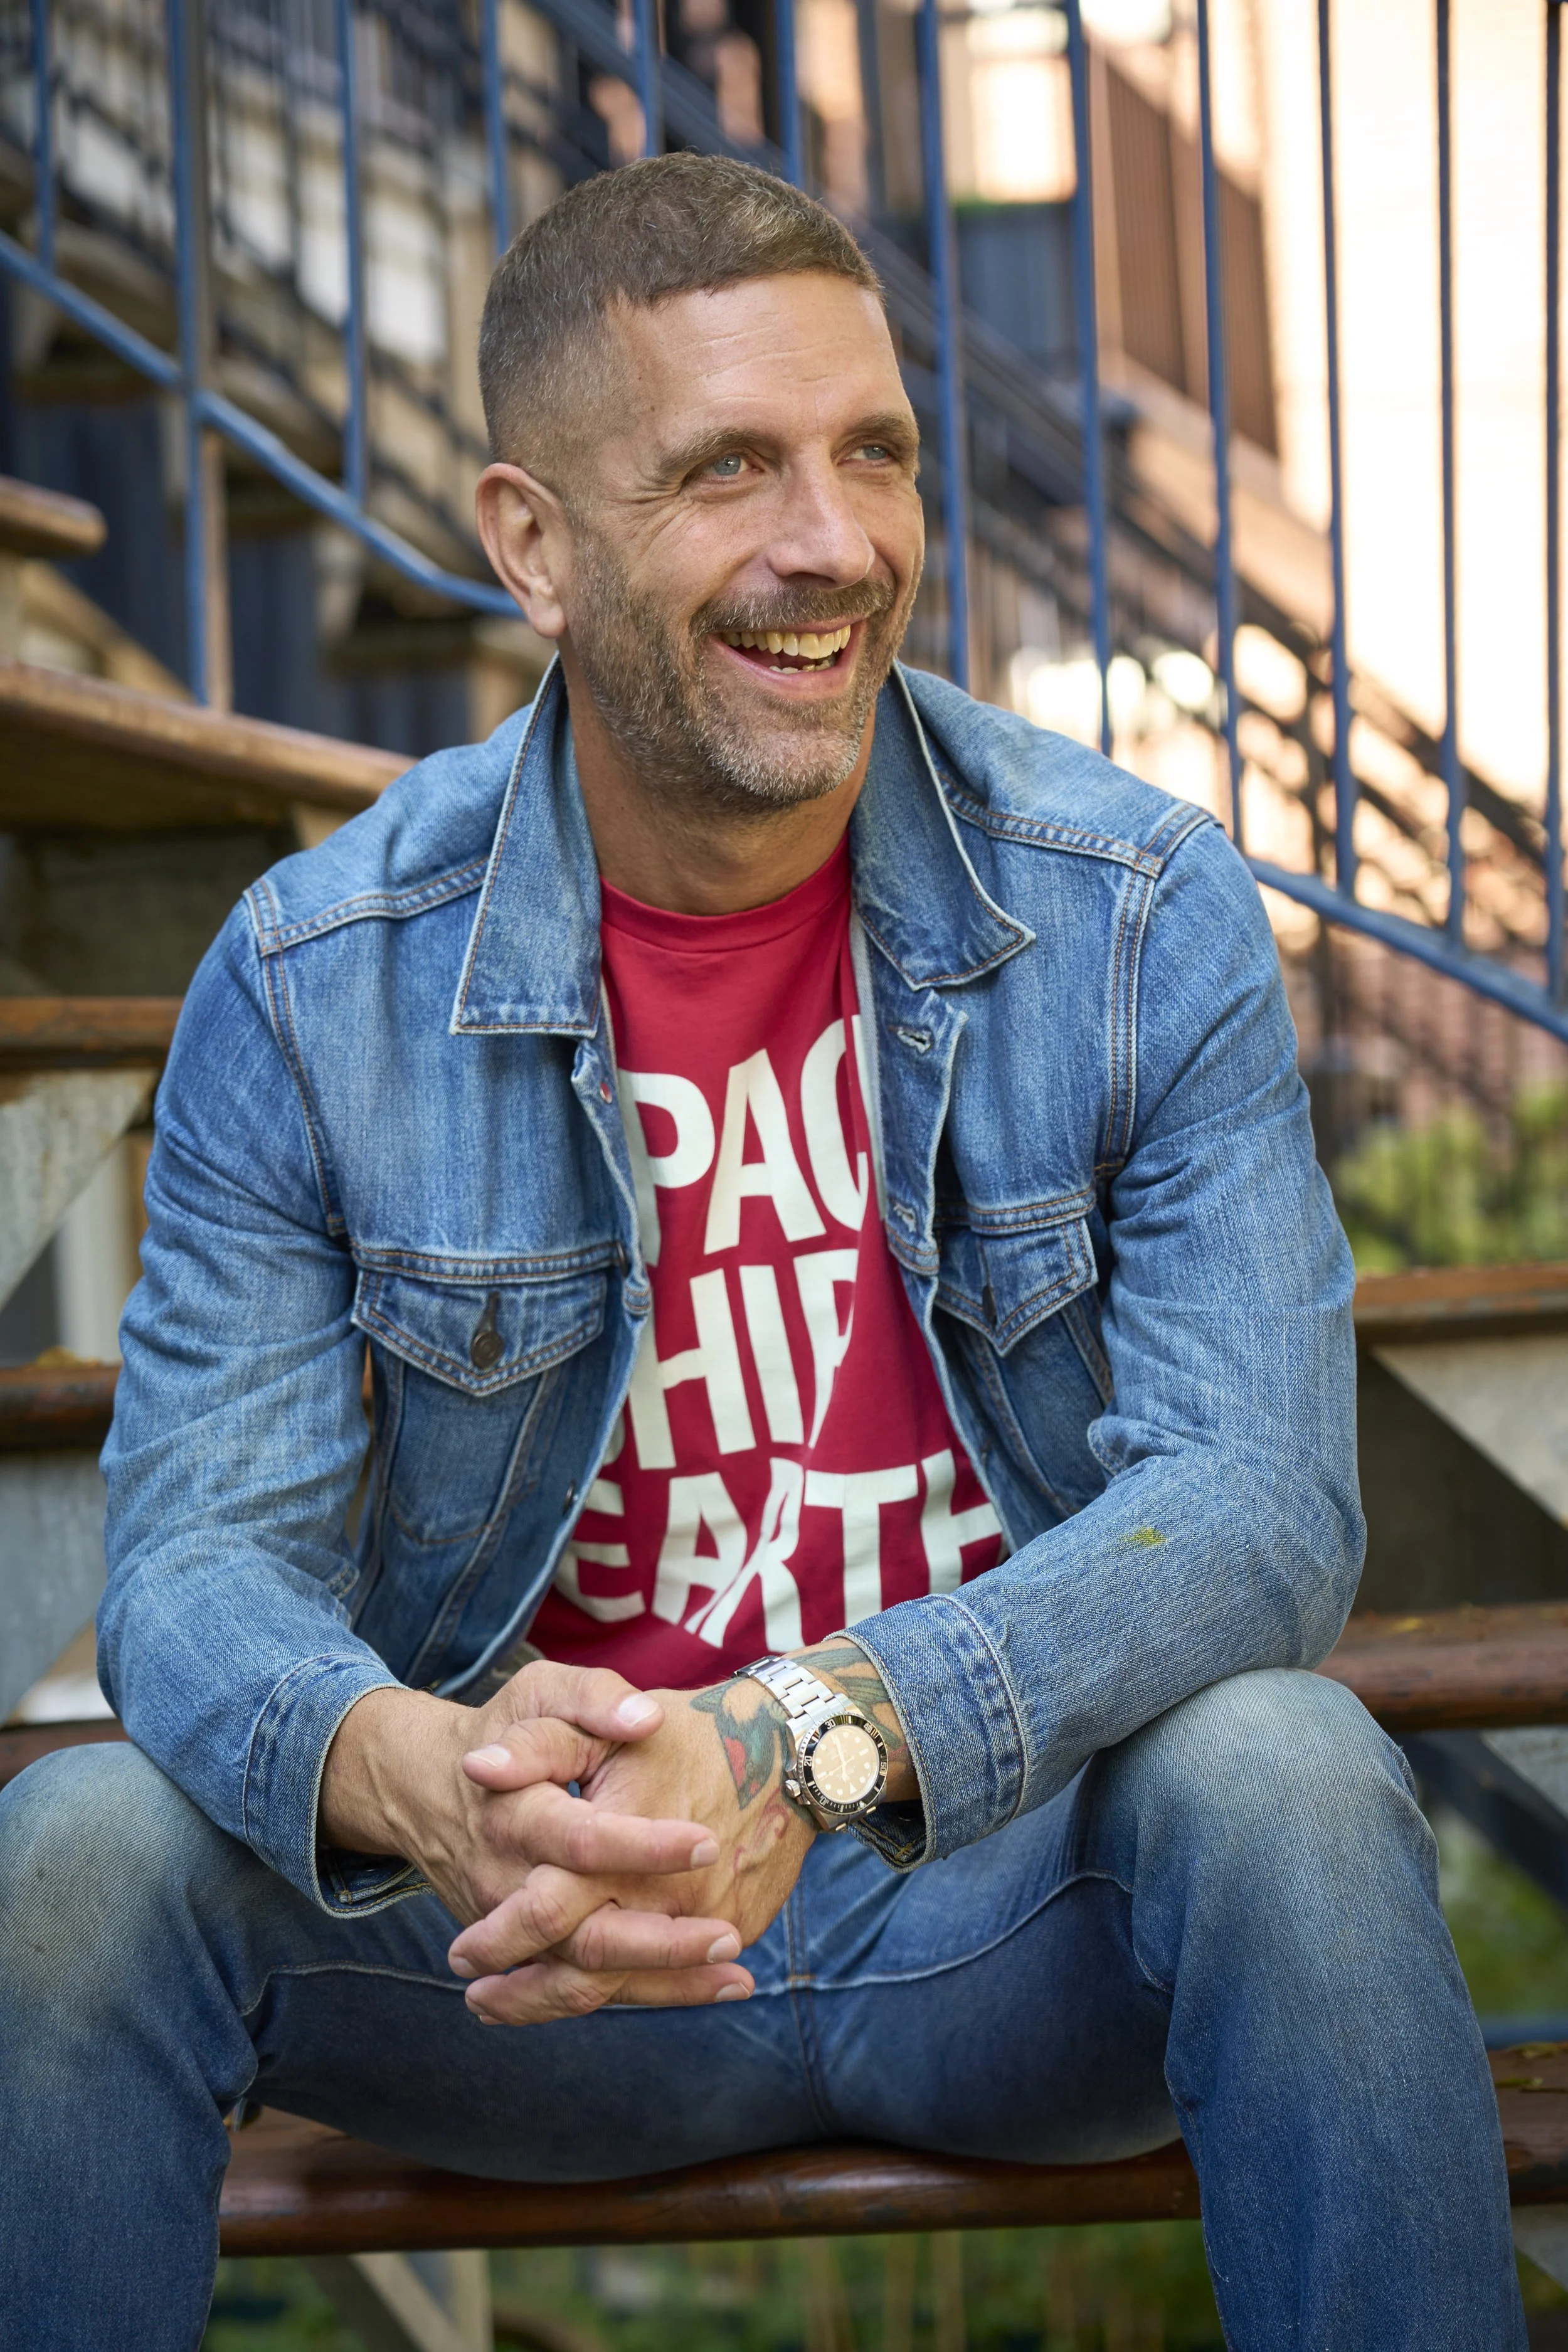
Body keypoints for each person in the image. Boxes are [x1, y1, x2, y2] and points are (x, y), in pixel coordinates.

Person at [0, 153, 1523, 2349]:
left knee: (1282, 1767)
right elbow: (192, 1567)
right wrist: (413, 1772)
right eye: (729, 467)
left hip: (989, 1909)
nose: (835, 542)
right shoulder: (317, 974)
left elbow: (1260, 1509)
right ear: (528, 541)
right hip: (524, 1949)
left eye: (871, 452)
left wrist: (812, 1738)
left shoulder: (1124, 912)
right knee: (75, 1857)